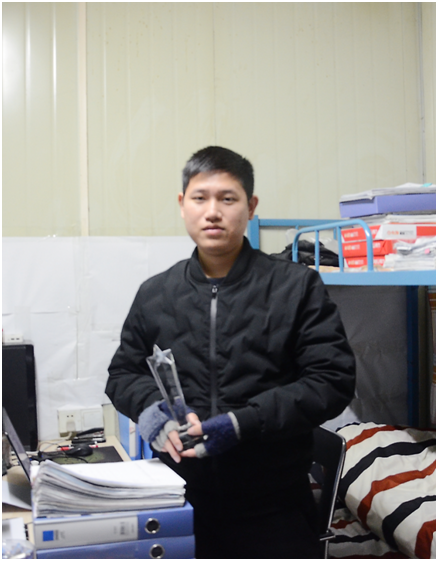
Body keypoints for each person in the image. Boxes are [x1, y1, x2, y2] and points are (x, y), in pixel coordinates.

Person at [105, 146, 356, 559]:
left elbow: (332, 380)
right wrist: (155, 417)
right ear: (182, 204)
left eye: (227, 198)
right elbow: (123, 374)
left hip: (274, 507)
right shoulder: (155, 293)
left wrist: (243, 423)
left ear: (250, 206)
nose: (212, 212)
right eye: (200, 198)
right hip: (181, 501)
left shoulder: (296, 287)